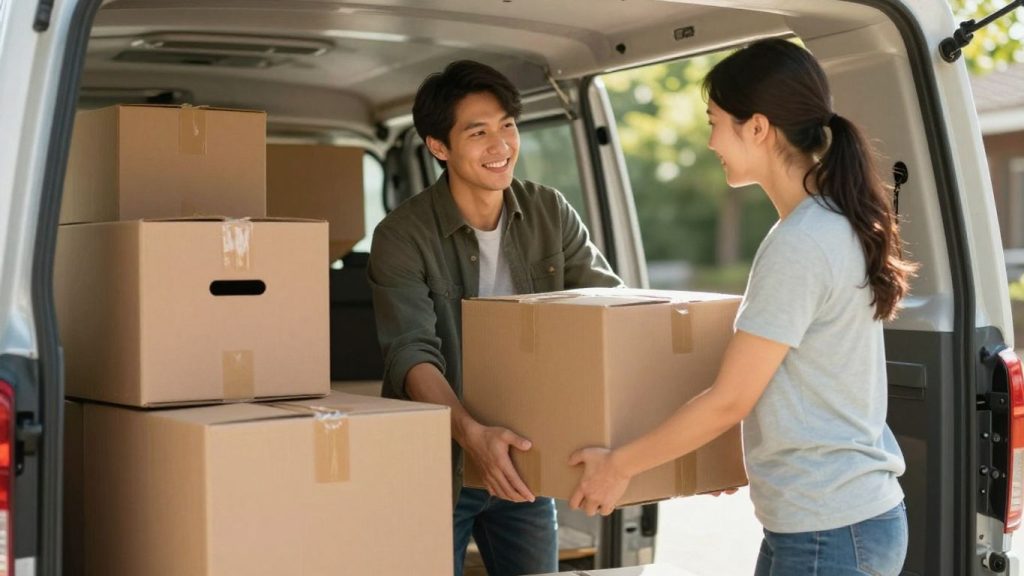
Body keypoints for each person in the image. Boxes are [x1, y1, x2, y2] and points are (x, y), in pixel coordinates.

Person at [567, 38, 915, 576]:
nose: (710, 142)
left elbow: (731, 398)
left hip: (829, 529)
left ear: (757, 127)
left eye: (715, 122)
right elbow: (794, 383)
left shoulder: (801, 241)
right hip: (825, 522)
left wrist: (619, 467)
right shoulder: (825, 224)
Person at [368, 59, 623, 576]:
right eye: (478, 132)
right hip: (437, 467)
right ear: (438, 147)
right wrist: (472, 437)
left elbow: (608, 315)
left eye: (507, 126)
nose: (501, 145)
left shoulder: (550, 211)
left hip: (525, 457)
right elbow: (411, 352)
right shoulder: (401, 235)